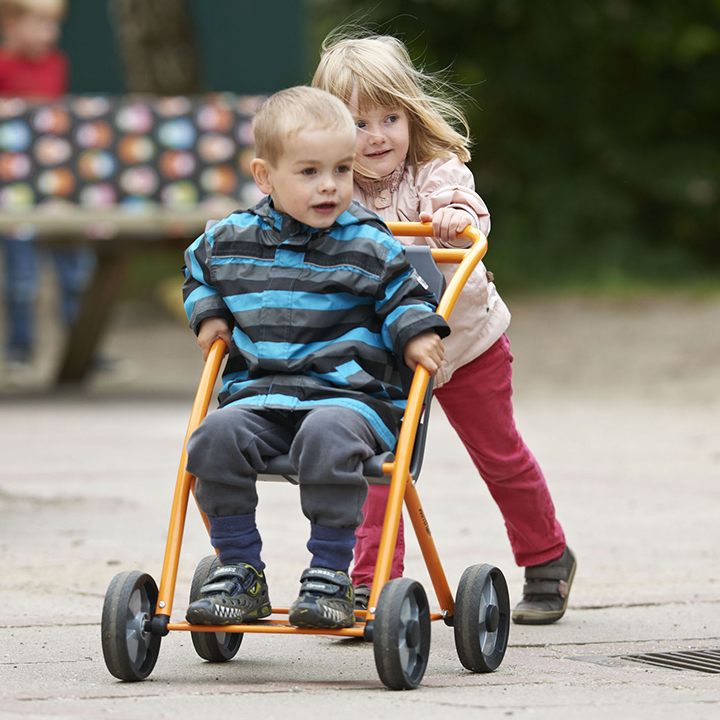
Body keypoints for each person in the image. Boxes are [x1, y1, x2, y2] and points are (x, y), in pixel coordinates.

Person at [313, 31, 577, 625]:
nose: (377, 135)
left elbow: (463, 202)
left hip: (466, 345)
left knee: (499, 453)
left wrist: (454, 218)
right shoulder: (333, 193)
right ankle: (373, 585)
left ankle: (547, 556)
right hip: (382, 357)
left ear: (410, 114)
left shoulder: (435, 173)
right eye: (358, 123)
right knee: (379, 462)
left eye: (390, 116)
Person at [182, 86, 450, 630]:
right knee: (211, 438)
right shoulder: (232, 239)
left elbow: (404, 293)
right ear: (265, 177)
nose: (330, 186)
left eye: (341, 170)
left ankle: (329, 575)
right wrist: (209, 313)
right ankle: (239, 571)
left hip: (348, 403)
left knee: (326, 437)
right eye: (309, 172)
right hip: (261, 400)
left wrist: (416, 333)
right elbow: (196, 266)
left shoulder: (370, 243)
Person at [0, 0, 94, 373]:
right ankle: (19, 351)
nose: (49, 35)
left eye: (53, 26)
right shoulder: (4, 66)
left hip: (56, 188)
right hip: (12, 192)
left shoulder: (57, 63)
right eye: (39, 25)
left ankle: (81, 352)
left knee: (76, 272)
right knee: (22, 278)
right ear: (10, 23)